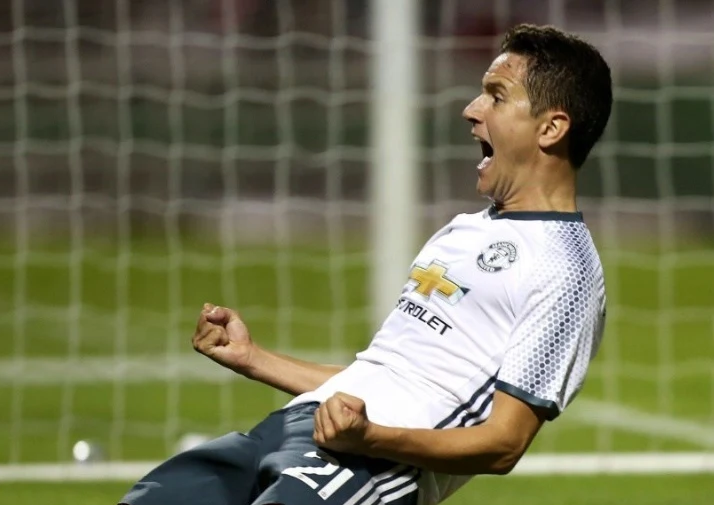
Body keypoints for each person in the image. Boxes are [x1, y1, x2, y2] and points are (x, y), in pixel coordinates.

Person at [119, 23, 612, 505]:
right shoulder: (464, 230)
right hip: (290, 429)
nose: (471, 110)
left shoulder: (565, 269)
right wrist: (254, 359)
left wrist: (369, 439)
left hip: (374, 469)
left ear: (551, 128)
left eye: (496, 96)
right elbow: (377, 379)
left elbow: (503, 444)